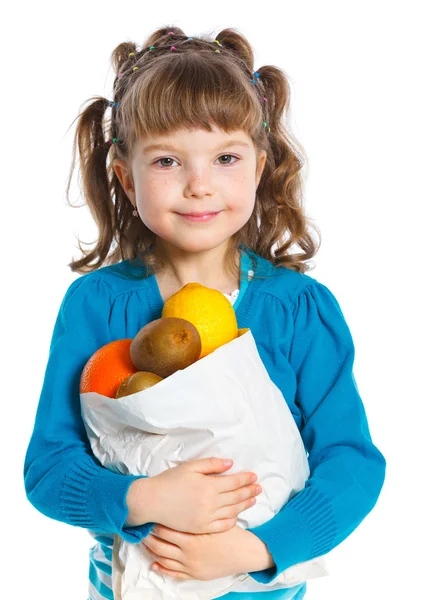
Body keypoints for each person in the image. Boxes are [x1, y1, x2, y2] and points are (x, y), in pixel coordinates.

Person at [23, 25, 386, 600]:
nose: (199, 185)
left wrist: (260, 547)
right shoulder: (97, 306)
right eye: (167, 160)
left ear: (261, 165)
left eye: (225, 157)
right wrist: (141, 499)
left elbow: (351, 462)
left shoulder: (298, 310)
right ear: (125, 175)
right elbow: (49, 467)